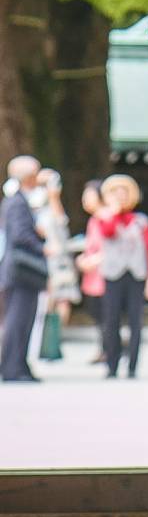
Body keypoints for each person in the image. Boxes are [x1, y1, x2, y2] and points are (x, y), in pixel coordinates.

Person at [97, 174, 148, 379]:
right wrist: (114, 212)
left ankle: (133, 365)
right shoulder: (104, 218)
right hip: (113, 274)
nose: (120, 197)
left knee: (136, 321)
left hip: (136, 274)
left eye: (124, 193)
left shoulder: (141, 221)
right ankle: (112, 364)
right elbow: (107, 233)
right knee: (111, 320)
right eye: (116, 193)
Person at [0, 155, 48, 382]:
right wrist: (42, 246)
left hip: (22, 273)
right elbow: (20, 235)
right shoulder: (16, 202)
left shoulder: (19, 200)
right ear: (29, 176)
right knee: (17, 320)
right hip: (19, 272)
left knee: (24, 320)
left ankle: (20, 365)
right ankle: (12, 368)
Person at [35, 169, 81, 360]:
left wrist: (54, 196)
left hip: (59, 259)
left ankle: (55, 339)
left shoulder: (54, 204)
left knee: (63, 299)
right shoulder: (33, 203)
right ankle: (43, 341)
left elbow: (61, 221)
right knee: (47, 300)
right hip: (42, 258)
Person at [76, 180, 108, 364]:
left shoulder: (105, 217)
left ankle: (110, 348)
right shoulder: (94, 219)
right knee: (98, 314)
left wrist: (92, 261)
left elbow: (110, 247)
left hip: (103, 273)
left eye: (88, 195)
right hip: (93, 274)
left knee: (105, 314)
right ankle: (104, 348)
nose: (85, 200)